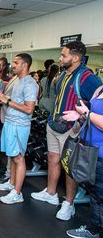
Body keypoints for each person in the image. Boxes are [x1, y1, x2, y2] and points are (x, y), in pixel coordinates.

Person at [31, 41, 102, 221]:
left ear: (76, 58)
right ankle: (51, 192)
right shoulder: (62, 75)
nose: (60, 58)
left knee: (70, 167)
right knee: (53, 158)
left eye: (64, 55)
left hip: (72, 128)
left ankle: (69, 204)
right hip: (54, 123)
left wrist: (80, 119)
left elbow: (96, 106)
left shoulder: (89, 78)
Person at [0, 53, 38, 204]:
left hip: (20, 125)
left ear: (24, 65)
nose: (12, 65)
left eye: (15, 62)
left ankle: (17, 193)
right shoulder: (19, 80)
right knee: (12, 156)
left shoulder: (30, 83)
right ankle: (12, 183)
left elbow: (29, 109)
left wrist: (8, 101)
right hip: (10, 122)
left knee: (19, 158)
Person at [62, 85, 103, 237]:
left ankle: (94, 231)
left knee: (99, 196)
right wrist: (79, 116)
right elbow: (92, 114)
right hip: (90, 149)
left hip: (101, 151)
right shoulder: (99, 89)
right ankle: (94, 228)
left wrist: (86, 112)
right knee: (94, 192)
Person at [0, 72, 20, 184]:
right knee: (9, 150)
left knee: (14, 153)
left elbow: (19, 100)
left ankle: (10, 176)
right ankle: (9, 174)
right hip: (7, 116)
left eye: (16, 63)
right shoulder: (14, 78)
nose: (13, 65)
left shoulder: (23, 82)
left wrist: (6, 98)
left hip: (15, 119)